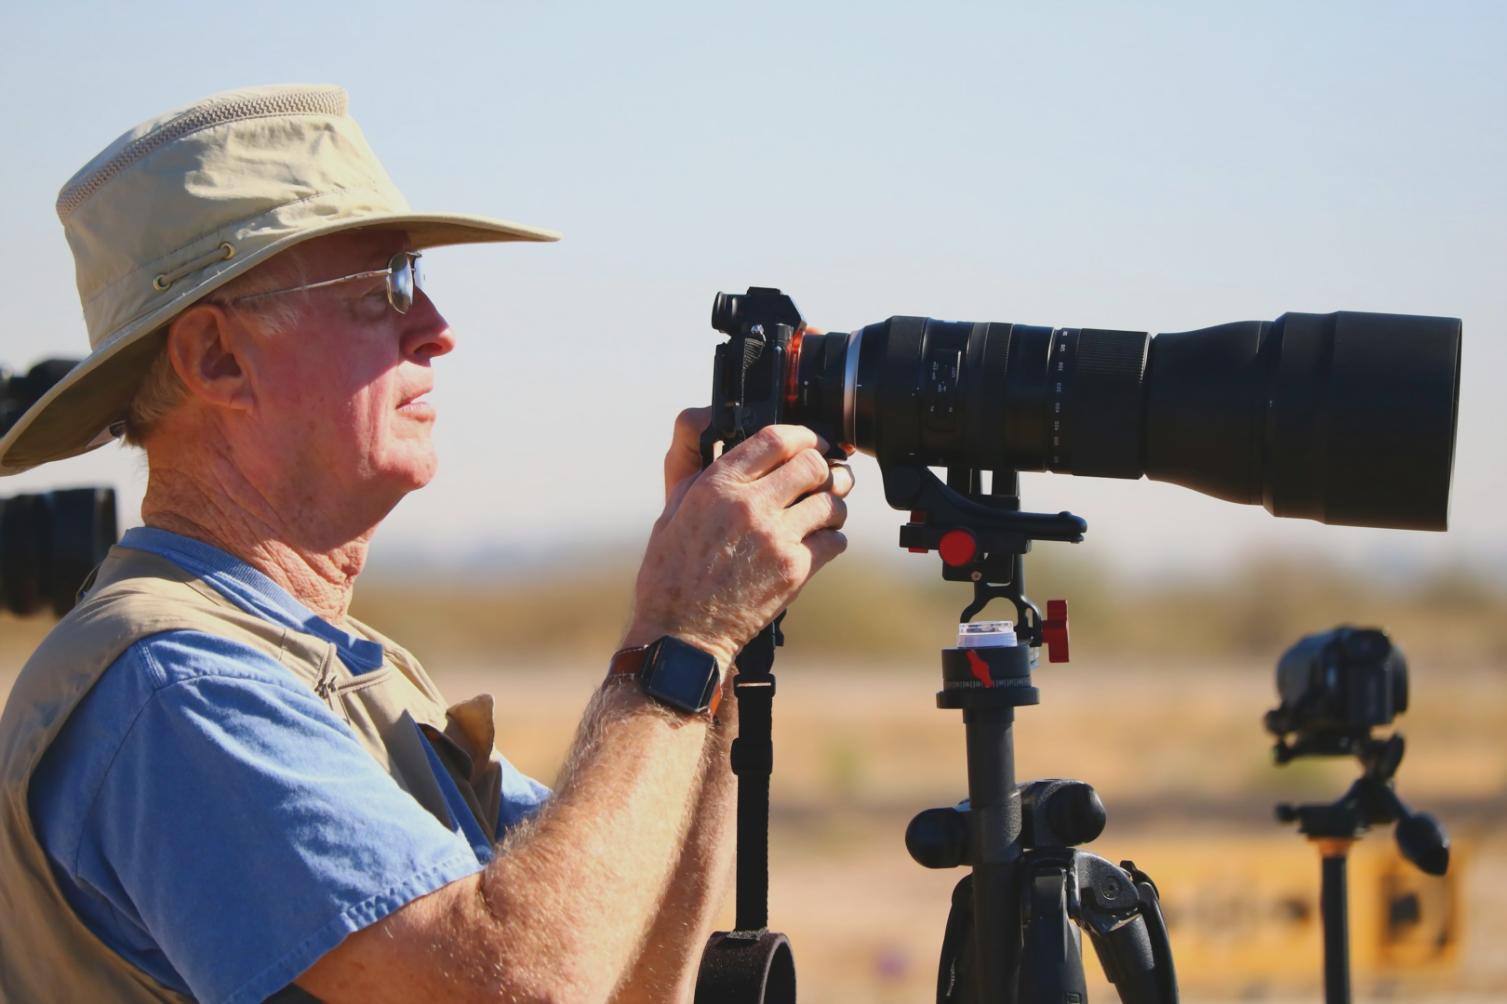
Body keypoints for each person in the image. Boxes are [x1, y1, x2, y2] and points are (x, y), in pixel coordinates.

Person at [0, 84, 851, 1003]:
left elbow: (628, 969)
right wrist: (684, 630)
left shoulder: (319, 661)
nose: (437, 330)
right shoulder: (178, 684)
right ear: (216, 360)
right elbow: (514, 985)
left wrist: (719, 653)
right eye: (383, 288)